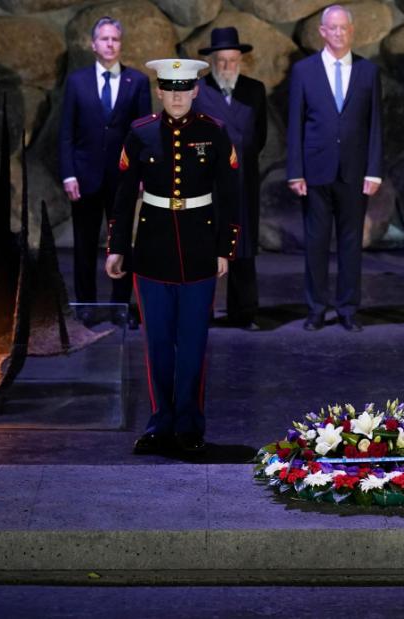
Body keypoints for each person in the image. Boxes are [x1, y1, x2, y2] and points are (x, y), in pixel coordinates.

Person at [105, 58, 240, 455]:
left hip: (199, 251)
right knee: (158, 344)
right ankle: (160, 424)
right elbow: (124, 193)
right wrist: (116, 247)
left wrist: (225, 249)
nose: (178, 96)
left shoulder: (213, 132)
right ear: (160, 91)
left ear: (196, 90)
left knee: (193, 343)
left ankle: (188, 425)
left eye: (185, 88)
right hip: (151, 251)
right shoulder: (141, 132)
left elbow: (230, 194)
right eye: (170, 88)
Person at [286, 4, 383, 332]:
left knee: (351, 243)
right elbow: (296, 123)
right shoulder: (304, 71)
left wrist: (373, 170)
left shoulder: (368, 72)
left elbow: (375, 126)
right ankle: (315, 309)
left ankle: (348, 308)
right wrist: (295, 171)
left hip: (355, 173)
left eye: (344, 28)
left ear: (351, 31)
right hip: (314, 171)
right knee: (315, 242)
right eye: (333, 28)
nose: (339, 33)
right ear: (322, 32)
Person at [58, 16, 151, 325]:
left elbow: (142, 134)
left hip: (123, 178)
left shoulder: (136, 81)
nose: (110, 44)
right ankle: (85, 305)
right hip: (84, 177)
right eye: (105, 39)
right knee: (84, 244)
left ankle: (119, 306)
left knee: (121, 242)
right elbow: (66, 133)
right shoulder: (77, 82)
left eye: (115, 39)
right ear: (93, 44)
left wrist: (140, 175)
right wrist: (68, 174)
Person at [191, 27, 268, 332]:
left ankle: (244, 311)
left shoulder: (255, 90)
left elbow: (259, 136)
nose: (226, 66)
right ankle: (202, 310)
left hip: (243, 181)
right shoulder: (198, 91)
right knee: (206, 246)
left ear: (240, 60)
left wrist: (241, 159)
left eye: (232, 60)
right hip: (208, 183)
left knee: (243, 247)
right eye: (221, 60)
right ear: (212, 61)